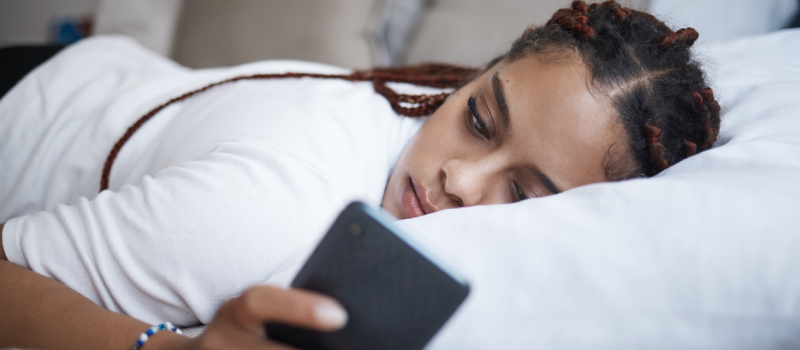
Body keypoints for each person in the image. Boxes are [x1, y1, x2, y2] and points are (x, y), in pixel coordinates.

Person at [0, 1, 720, 349]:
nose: (463, 183)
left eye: (522, 192)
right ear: (470, 80)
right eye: (479, 120)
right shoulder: (265, 211)